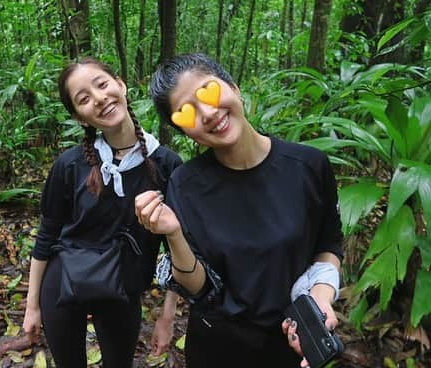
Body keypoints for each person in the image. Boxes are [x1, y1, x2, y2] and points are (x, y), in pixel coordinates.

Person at [135, 53, 343, 368]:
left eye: (210, 91)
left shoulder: (309, 166)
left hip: (291, 340)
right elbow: (199, 287)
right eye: (186, 113)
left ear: (234, 87)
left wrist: (322, 297)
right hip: (217, 346)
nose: (207, 113)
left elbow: (328, 244)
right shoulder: (184, 184)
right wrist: (173, 233)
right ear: (184, 131)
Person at [23, 57, 182, 368]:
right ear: (79, 117)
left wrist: (167, 316)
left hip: (123, 288)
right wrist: (32, 306)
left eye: (102, 84)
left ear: (120, 85)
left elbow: (177, 246)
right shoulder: (70, 165)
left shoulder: (166, 165)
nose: (99, 99)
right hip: (63, 280)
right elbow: (46, 236)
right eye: (84, 99)